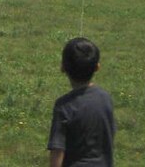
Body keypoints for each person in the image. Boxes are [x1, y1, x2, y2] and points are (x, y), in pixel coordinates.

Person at [47, 37, 115, 167]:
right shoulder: (106, 98)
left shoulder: (64, 106)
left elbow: (57, 150)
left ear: (63, 68)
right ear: (97, 67)